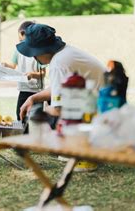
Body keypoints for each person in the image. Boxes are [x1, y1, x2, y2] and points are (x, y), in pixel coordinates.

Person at [17, 23, 106, 171]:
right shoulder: (64, 54)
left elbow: (60, 109)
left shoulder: (58, 63)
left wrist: (39, 117)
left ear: (42, 51)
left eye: (33, 53)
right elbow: (57, 89)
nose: (33, 57)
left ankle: (85, 155)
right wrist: (32, 98)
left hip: (99, 108)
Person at [1, 21, 46, 121]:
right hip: (23, 89)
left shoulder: (39, 52)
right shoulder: (18, 50)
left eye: (22, 35)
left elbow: (43, 74)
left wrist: (32, 75)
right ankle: (23, 134)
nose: (20, 39)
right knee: (20, 114)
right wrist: (5, 65)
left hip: (37, 91)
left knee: (36, 118)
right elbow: (13, 65)